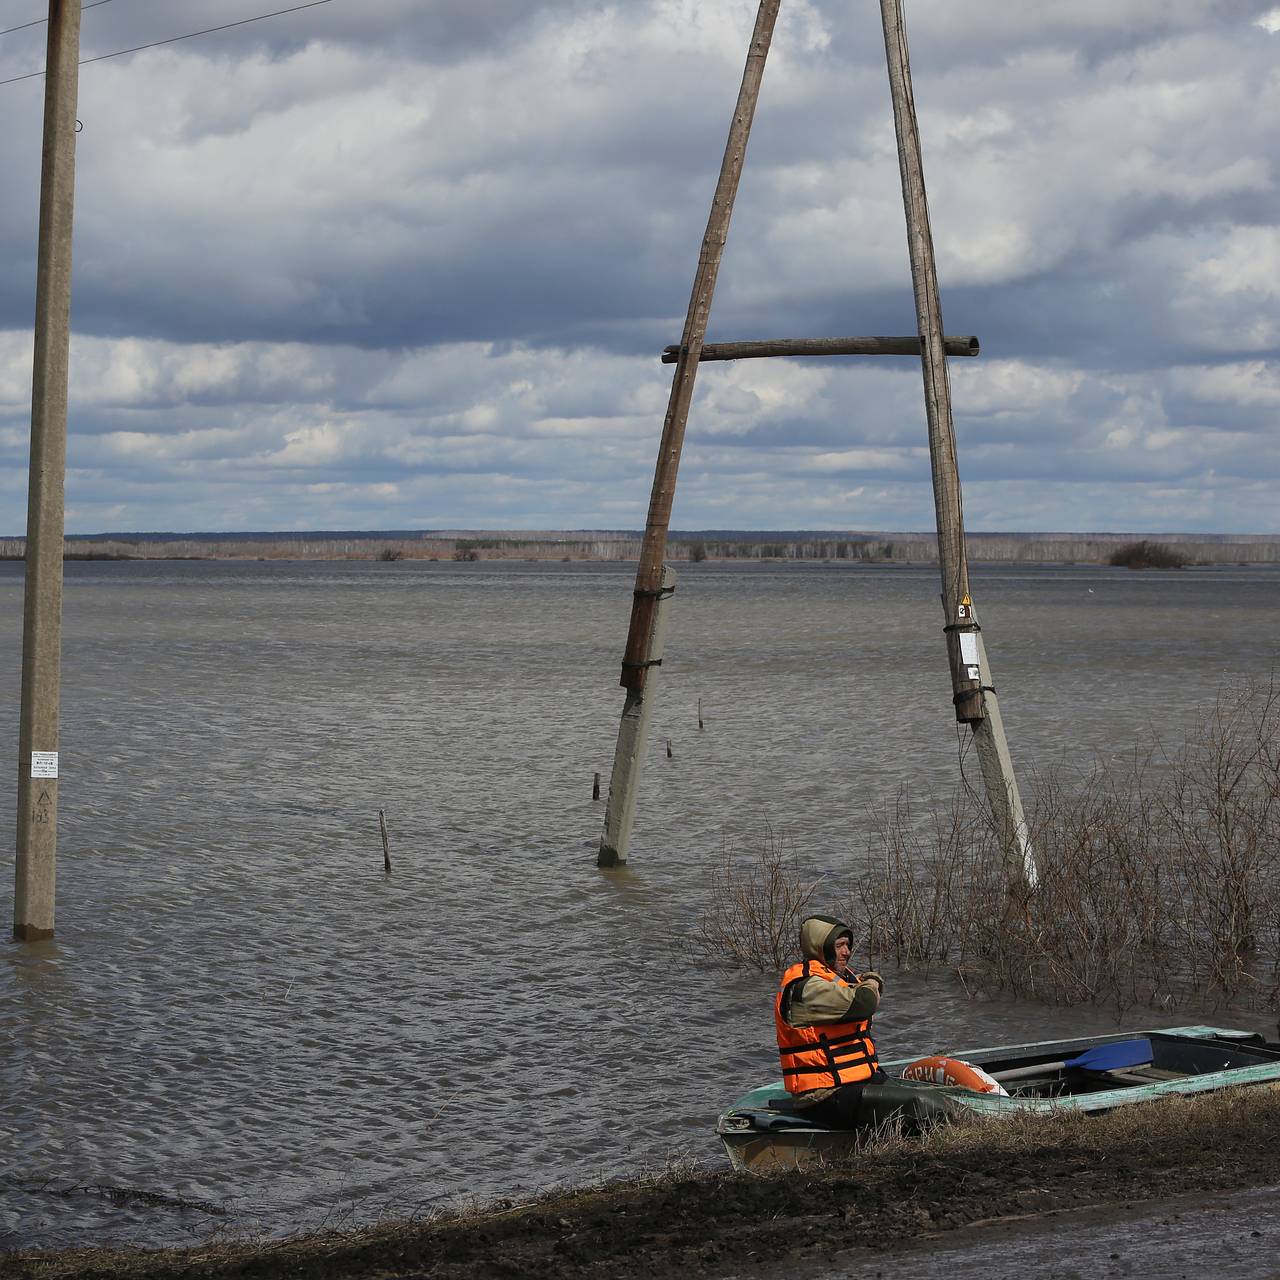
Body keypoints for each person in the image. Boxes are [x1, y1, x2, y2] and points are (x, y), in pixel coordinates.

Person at [774, 914, 885, 1128]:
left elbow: (863, 996)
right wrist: (873, 980)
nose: (847, 952)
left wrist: (867, 985)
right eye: (839, 945)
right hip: (823, 1096)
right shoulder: (810, 988)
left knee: (918, 1093)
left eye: (847, 945)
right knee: (926, 1106)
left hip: (849, 1083)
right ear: (820, 947)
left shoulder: (835, 978)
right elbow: (865, 1002)